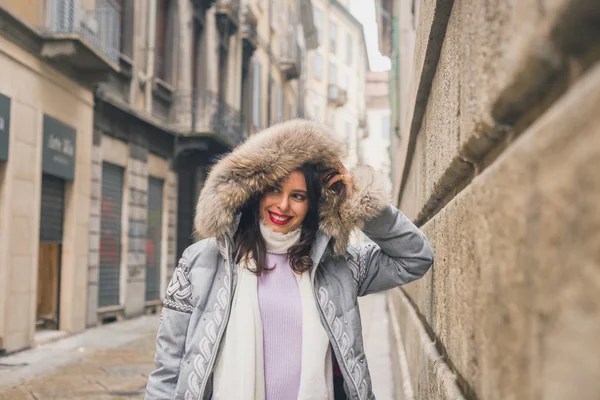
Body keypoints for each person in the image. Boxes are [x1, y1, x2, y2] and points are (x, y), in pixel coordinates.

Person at [145, 120, 433, 400]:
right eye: (274, 190)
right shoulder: (200, 262)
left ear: (312, 203)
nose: (283, 205)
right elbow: (169, 366)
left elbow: (414, 257)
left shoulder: (338, 265)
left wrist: (359, 200)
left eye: (297, 195)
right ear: (255, 193)